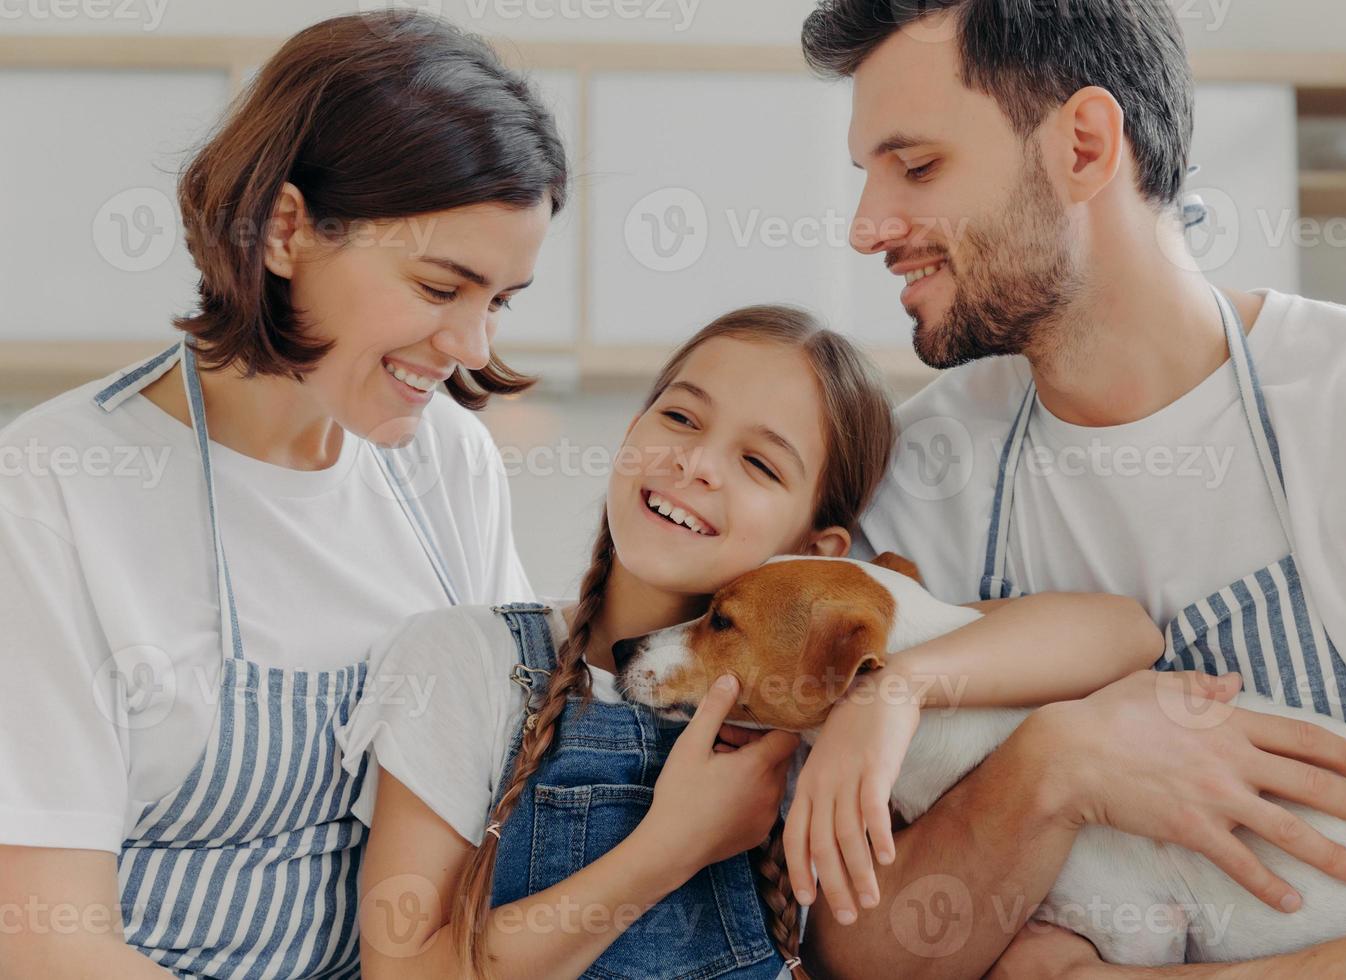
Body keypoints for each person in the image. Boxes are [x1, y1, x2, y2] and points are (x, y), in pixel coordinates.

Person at [786, 0, 1346, 975]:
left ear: (1085, 144)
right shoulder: (918, 473)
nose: (867, 227)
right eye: (867, 174)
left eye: (919, 165)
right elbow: (862, 952)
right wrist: (1057, 763)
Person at [342, 304, 1165, 978]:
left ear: (820, 554)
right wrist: (672, 848)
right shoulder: (465, 661)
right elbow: (405, 972)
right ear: (633, 429)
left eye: (760, 464)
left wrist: (890, 692)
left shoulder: (818, 681)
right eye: (679, 415)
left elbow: (1123, 632)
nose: (698, 462)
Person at [0, 11, 566, 977]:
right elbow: (47, 942)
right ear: (285, 229)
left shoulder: (450, 466)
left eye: (499, 302)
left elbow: (507, 808)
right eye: (440, 288)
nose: (474, 349)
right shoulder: (56, 485)